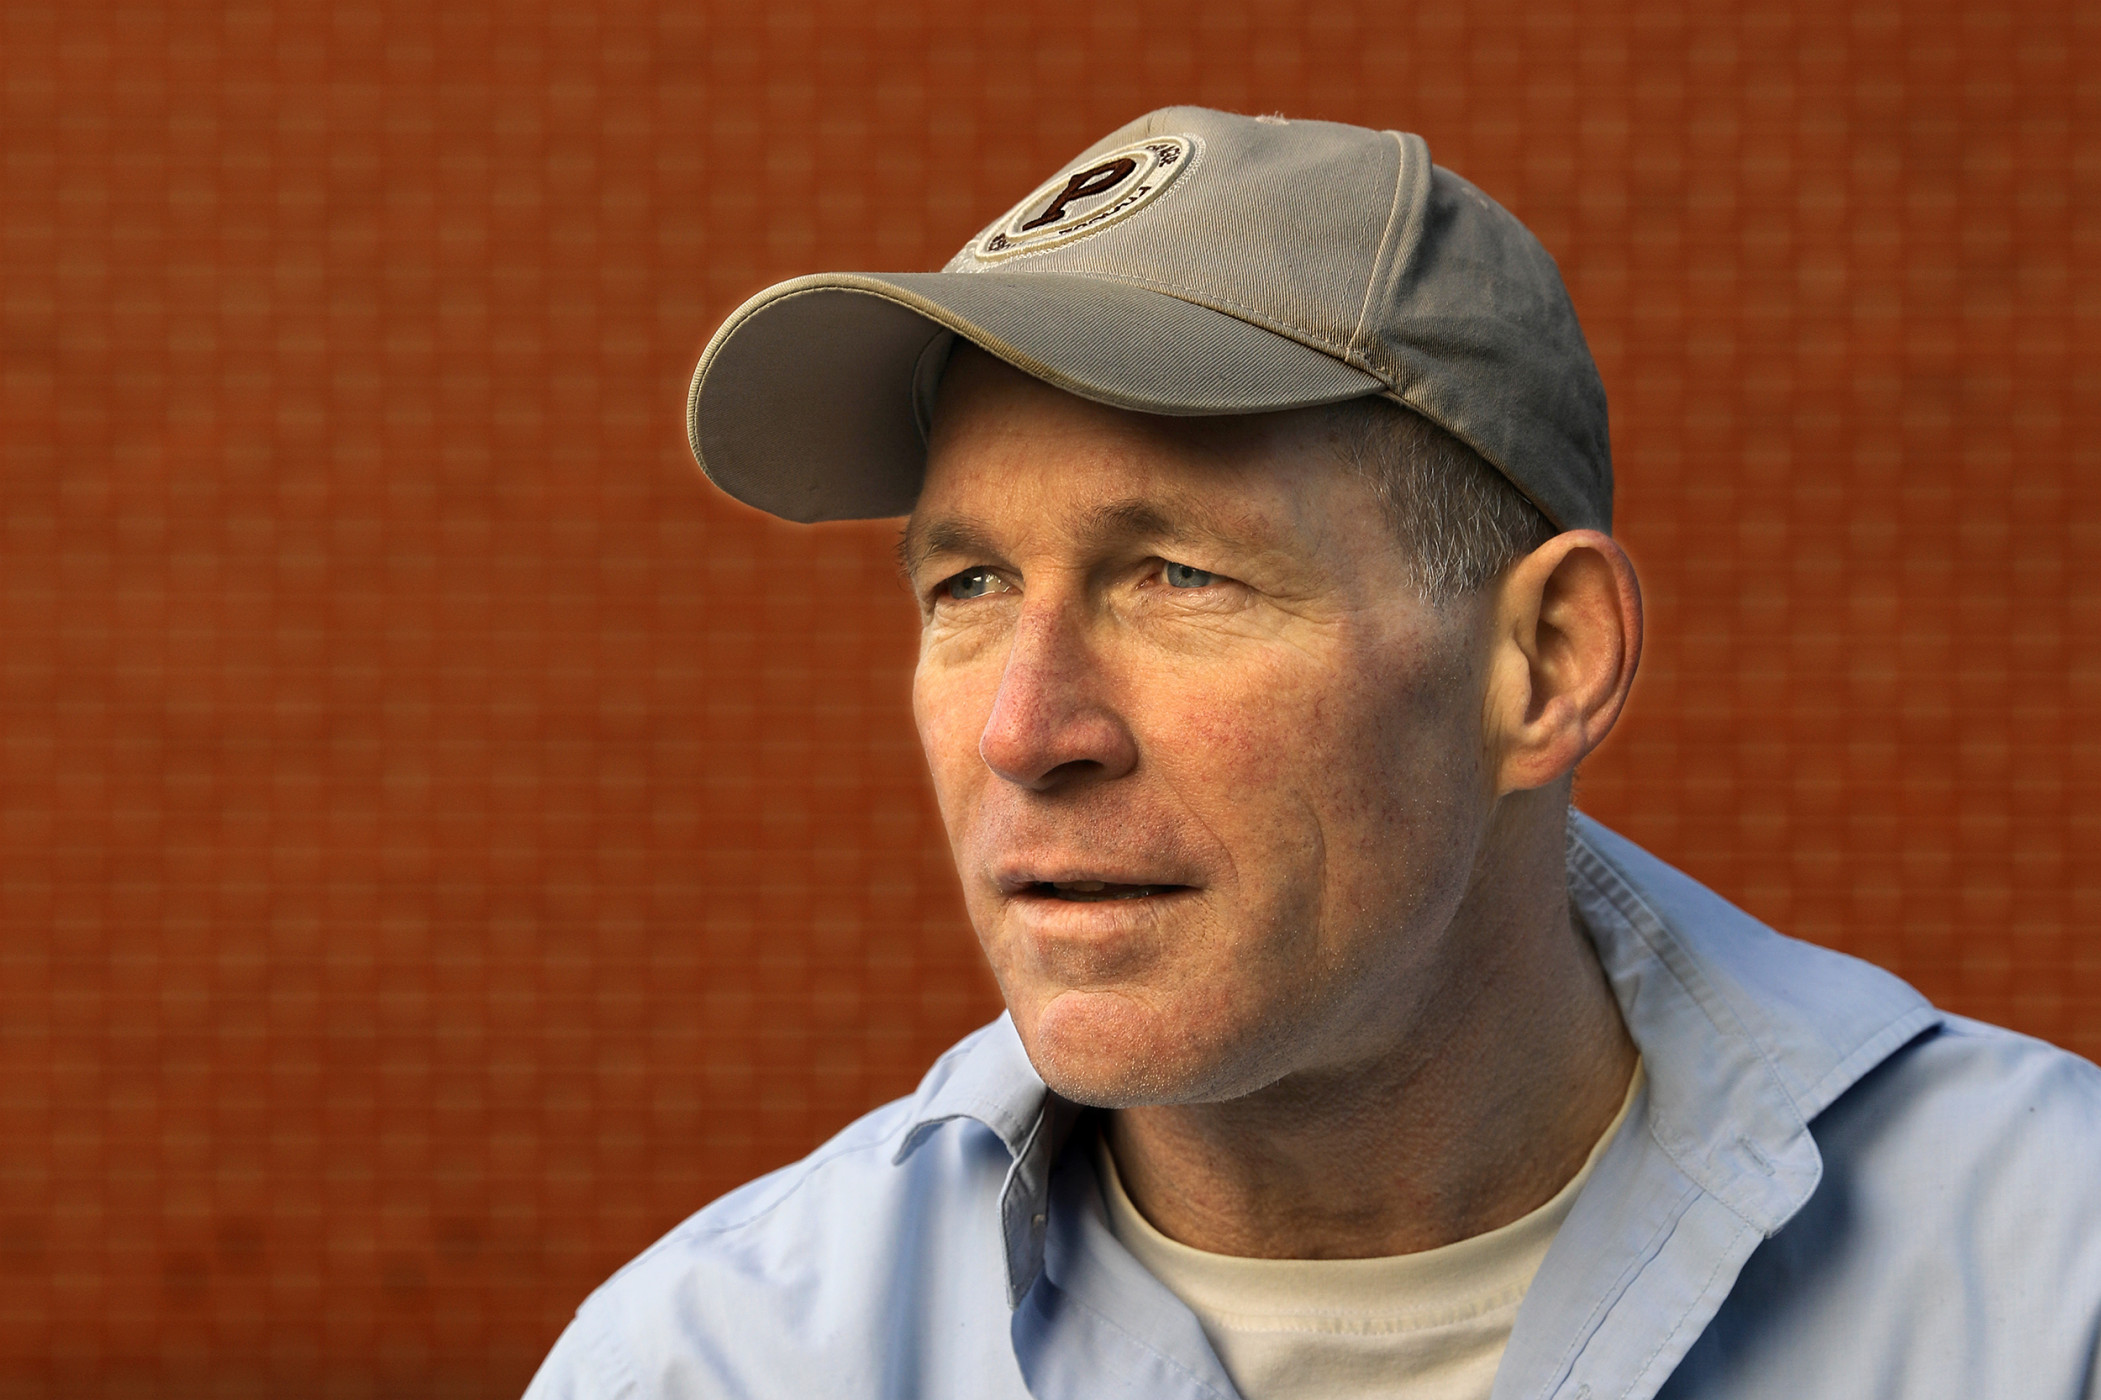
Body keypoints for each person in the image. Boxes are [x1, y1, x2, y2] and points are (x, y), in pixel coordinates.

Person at [523, 107, 2101, 1400]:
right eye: (970, 586)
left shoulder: (2053, 1290)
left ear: (1546, 664)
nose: (1024, 731)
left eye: (1177, 576)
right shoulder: (715, 1364)